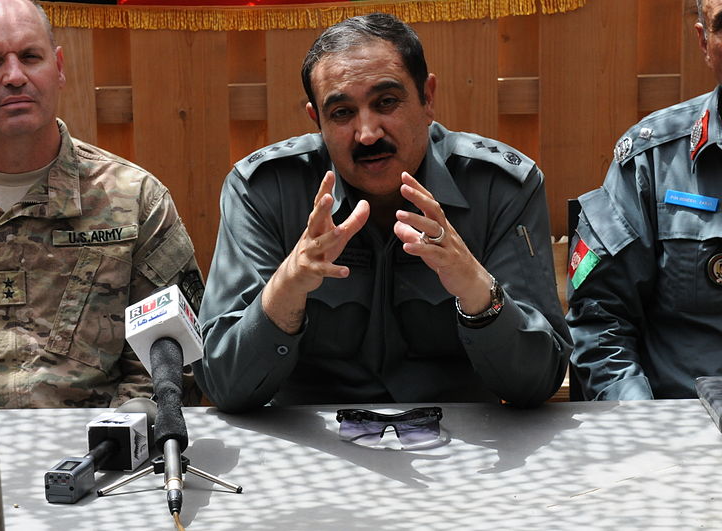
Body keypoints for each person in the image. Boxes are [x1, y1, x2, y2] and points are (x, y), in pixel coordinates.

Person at [194, 13, 570, 413]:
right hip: (312, 441)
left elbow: (537, 381)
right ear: (316, 120)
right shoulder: (266, 189)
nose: (367, 133)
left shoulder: (499, 186)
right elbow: (224, 384)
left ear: (427, 97)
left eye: (386, 102)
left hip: (462, 442)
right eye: (341, 113)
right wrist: (287, 287)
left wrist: (476, 288)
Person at [0, 0, 203, 409]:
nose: (15, 76)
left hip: (97, 456)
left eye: (31, 57)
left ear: (58, 68)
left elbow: (172, 362)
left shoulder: (133, 200)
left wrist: (116, 442)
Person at [567, 0, 722, 400]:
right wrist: (646, 428)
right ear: (704, 42)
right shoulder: (651, 159)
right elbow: (601, 319)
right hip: (684, 433)